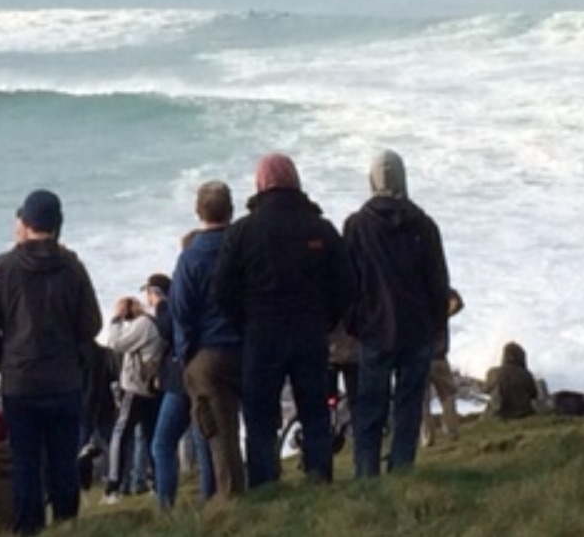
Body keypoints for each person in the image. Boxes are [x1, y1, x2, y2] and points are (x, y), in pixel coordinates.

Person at [213, 154, 353, 486]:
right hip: (309, 331)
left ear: (260, 184)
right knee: (315, 410)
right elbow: (346, 284)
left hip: (262, 333)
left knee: (260, 415)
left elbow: (222, 291)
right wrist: (327, 321)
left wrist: (244, 324)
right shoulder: (320, 228)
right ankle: (319, 476)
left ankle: (264, 482)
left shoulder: (242, 232)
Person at [0, 189, 102, 535]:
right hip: (64, 379)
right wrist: (74, 351)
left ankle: (28, 528)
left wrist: (0, 360)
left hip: (21, 380)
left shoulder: (2, 267)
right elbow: (92, 324)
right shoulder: (72, 267)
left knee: (26, 462)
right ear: (57, 224)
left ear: (26, 223)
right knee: (63, 460)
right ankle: (66, 525)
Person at [343, 150, 450, 477]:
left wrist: (354, 323)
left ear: (372, 180)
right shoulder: (425, 224)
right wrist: (436, 327)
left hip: (374, 330)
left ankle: (367, 475)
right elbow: (438, 283)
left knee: (370, 409)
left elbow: (348, 281)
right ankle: (402, 472)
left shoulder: (357, 225)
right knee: (408, 409)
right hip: (416, 330)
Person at [169, 180, 245, 498]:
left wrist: (187, 356)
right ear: (231, 209)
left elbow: (181, 312)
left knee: (219, 435)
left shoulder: (191, 256)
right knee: (261, 424)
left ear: (198, 211)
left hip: (210, 352)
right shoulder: (244, 247)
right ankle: (267, 486)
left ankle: (230, 499)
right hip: (250, 346)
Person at [143, 273, 212, 510]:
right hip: (203, 372)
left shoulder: (170, 306)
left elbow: (167, 331)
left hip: (179, 381)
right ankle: (209, 496)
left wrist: (160, 306)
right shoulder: (200, 299)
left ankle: (165, 504)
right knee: (203, 438)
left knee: (162, 444)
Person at [103, 291, 162, 504]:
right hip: (151, 388)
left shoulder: (142, 324)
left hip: (135, 389)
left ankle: (113, 486)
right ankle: (158, 482)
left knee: (120, 434)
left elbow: (115, 343)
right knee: (151, 435)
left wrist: (116, 320)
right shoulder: (152, 322)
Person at [422, 288, 465, 446]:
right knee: (447, 395)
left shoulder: (413, 294)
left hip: (418, 357)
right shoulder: (439, 292)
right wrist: (445, 313)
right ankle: (451, 432)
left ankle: (427, 437)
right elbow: (458, 303)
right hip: (439, 356)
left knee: (422, 399)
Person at [482, 342, 539, 419]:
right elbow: (534, 394)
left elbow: (486, 389)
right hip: (525, 413)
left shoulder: (493, 372)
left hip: (498, 414)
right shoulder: (527, 374)